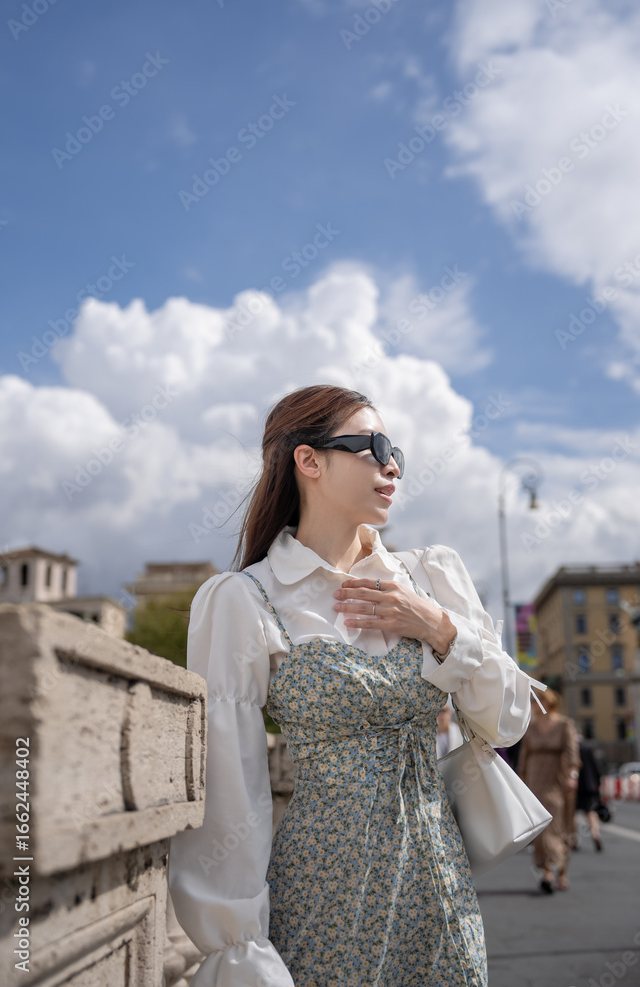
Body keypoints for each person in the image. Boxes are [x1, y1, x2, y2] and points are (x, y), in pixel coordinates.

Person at [167, 384, 548, 987]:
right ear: (309, 461)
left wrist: (439, 628)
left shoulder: (431, 575)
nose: (391, 463)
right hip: (322, 891)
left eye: (393, 448)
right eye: (369, 446)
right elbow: (230, 786)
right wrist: (240, 947)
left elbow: (507, 722)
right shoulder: (245, 598)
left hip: (440, 883)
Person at [517, 688, 580, 893]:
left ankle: (559, 871)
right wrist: (520, 780)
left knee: (558, 824)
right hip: (535, 780)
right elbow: (524, 756)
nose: (533, 706)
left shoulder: (564, 724)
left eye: (536, 702)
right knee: (540, 826)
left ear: (547, 703)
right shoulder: (531, 726)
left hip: (557, 780)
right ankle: (547, 870)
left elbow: (572, 754)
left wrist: (572, 776)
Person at [575, 732, 604, 851]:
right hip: (589, 785)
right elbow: (595, 766)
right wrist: (598, 783)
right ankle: (595, 834)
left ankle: (574, 840)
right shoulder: (588, 746)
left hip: (575, 786)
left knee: (573, 814)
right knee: (591, 812)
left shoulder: (570, 746)